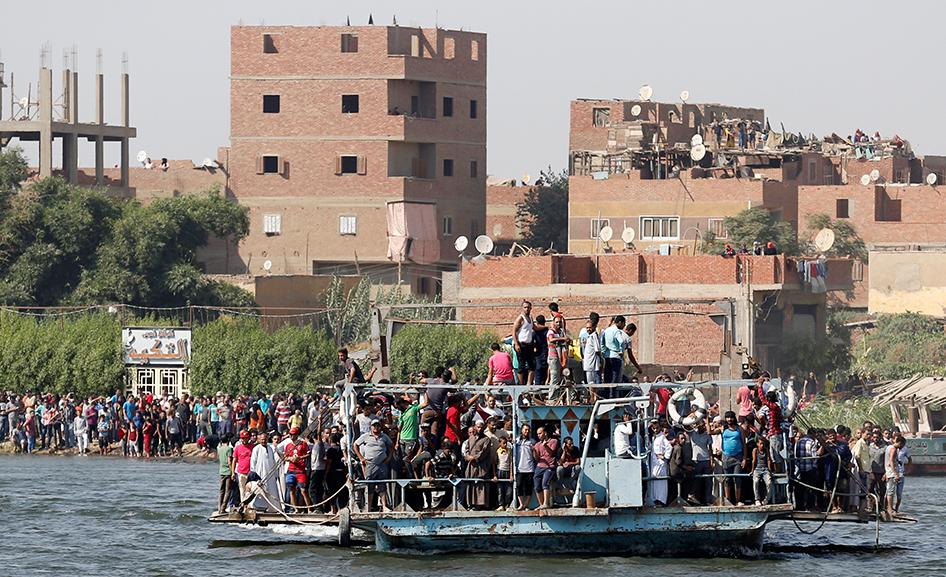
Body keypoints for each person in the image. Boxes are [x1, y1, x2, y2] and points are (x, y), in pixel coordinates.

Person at [353, 418, 394, 511]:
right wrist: (361, 458)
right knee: (369, 485)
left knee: (382, 484)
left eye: (378, 425)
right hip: (370, 463)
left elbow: (391, 446)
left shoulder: (384, 436)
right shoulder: (365, 436)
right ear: (371, 427)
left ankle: (384, 506)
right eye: (374, 425)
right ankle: (369, 506)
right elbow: (355, 445)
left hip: (382, 463)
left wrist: (389, 457)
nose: (376, 427)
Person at [463, 421, 493, 510]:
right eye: (478, 427)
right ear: (475, 427)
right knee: (471, 484)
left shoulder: (486, 439)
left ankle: (479, 504)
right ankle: (470, 504)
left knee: (480, 484)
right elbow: (466, 449)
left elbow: (483, 452)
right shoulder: (470, 438)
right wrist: (467, 456)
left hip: (481, 466)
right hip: (471, 466)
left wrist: (474, 458)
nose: (479, 429)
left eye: (481, 427)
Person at [250, 431, 281, 511]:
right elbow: (253, 463)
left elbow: (273, 462)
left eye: (265, 439)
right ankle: (258, 508)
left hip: (270, 475)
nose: (264, 441)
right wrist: (255, 476)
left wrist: (275, 474)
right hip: (260, 475)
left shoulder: (270, 448)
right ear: (259, 439)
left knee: (272, 491)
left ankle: (273, 509)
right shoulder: (256, 449)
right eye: (262, 439)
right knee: (260, 492)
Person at [720, 411, 745, 506]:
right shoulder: (723, 428)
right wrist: (706, 418)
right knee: (727, 479)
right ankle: (728, 500)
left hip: (738, 457)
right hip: (726, 457)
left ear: (734, 418)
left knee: (737, 478)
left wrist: (744, 458)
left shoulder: (739, 429)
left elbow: (743, 443)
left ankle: (738, 500)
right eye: (727, 417)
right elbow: (710, 432)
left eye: (731, 417)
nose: (729, 419)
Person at [284, 426, 312, 511]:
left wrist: (299, 458)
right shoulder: (288, 445)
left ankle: (309, 509)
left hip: (300, 470)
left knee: (303, 490)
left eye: (293, 434)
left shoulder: (303, 444)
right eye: (290, 434)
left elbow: (308, 454)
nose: (292, 436)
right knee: (291, 490)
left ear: (297, 435)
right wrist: (290, 458)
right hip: (291, 470)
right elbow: (285, 457)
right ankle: (296, 509)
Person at [532, 426, 559, 509]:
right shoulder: (537, 444)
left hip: (549, 466)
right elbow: (537, 458)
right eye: (537, 434)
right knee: (537, 486)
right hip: (540, 466)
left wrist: (546, 446)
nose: (538, 435)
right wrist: (534, 451)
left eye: (540, 433)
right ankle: (541, 504)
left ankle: (546, 503)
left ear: (545, 433)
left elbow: (552, 453)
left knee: (545, 483)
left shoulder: (554, 441)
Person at [648, 424, 672, 506]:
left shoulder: (662, 437)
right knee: (654, 481)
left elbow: (669, 447)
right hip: (654, 463)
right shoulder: (653, 437)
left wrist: (664, 456)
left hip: (660, 463)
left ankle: (661, 500)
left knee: (661, 482)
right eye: (653, 428)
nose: (655, 430)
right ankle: (654, 500)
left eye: (657, 428)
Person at [512, 301, 536, 385]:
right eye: (525, 307)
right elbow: (514, 331)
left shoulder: (530, 318)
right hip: (521, 344)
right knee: (521, 366)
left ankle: (528, 384)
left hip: (529, 345)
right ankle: (522, 384)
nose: (527, 309)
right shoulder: (520, 318)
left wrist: (545, 327)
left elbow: (535, 328)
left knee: (532, 365)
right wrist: (516, 344)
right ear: (522, 308)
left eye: (528, 307)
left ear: (531, 308)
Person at [669, 431, 695, 505]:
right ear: (677, 439)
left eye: (684, 439)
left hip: (673, 471)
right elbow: (678, 462)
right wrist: (687, 468)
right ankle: (687, 497)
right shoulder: (678, 448)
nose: (683, 440)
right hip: (676, 472)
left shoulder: (676, 447)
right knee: (689, 477)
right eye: (681, 439)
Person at [514, 423, 535, 510]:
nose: (527, 431)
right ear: (521, 430)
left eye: (528, 430)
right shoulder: (517, 440)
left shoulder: (532, 441)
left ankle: (526, 505)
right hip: (519, 468)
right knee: (519, 486)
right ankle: (521, 504)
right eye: (525, 429)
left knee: (528, 487)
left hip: (529, 467)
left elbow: (535, 455)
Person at [885, 436, 908, 515]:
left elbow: (888, 461)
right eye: (902, 445)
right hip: (891, 473)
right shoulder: (893, 449)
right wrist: (895, 473)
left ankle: (888, 508)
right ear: (900, 443)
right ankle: (890, 509)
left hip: (889, 472)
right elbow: (891, 461)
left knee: (889, 491)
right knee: (890, 492)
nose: (902, 447)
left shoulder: (888, 447)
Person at [751, 437, 774, 505]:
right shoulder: (755, 450)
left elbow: (768, 460)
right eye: (760, 444)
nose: (762, 445)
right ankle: (757, 499)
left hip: (765, 469)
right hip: (757, 469)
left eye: (763, 444)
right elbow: (754, 461)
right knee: (755, 481)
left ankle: (767, 499)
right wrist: (752, 470)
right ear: (757, 444)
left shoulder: (766, 450)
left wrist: (770, 470)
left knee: (769, 483)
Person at [581, 317, 602, 389]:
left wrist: (600, 362)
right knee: (589, 383)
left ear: (593, 327)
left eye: (590, 327)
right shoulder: (589, 336)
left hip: (592, 365)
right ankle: (592, 397)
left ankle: (594, 398)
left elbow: (597, 350)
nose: (588, 329)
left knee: (592, 383)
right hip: (588, 364)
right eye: (587, 328)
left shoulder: (594, 336)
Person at [218, 433, 234, 513]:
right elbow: (229, 461)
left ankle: (219, 507)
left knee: (221, 490)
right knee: (228, 491)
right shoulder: (229, 449)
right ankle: (223, 508)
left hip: (221, 471)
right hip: (228, 472)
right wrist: (232, 472)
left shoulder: (219, 449)